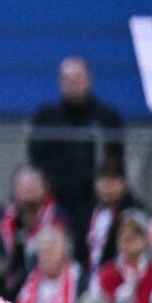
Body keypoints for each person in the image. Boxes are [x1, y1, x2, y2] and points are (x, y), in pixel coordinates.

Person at [26, 57, 124, 230]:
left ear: (89, 79)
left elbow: (115, 161)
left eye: (78, 77)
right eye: (67, 79)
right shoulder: (46, 118)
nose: (73, 83)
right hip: (55, 197)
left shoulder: (107, 118)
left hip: (95, 198)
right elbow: (36, 159)